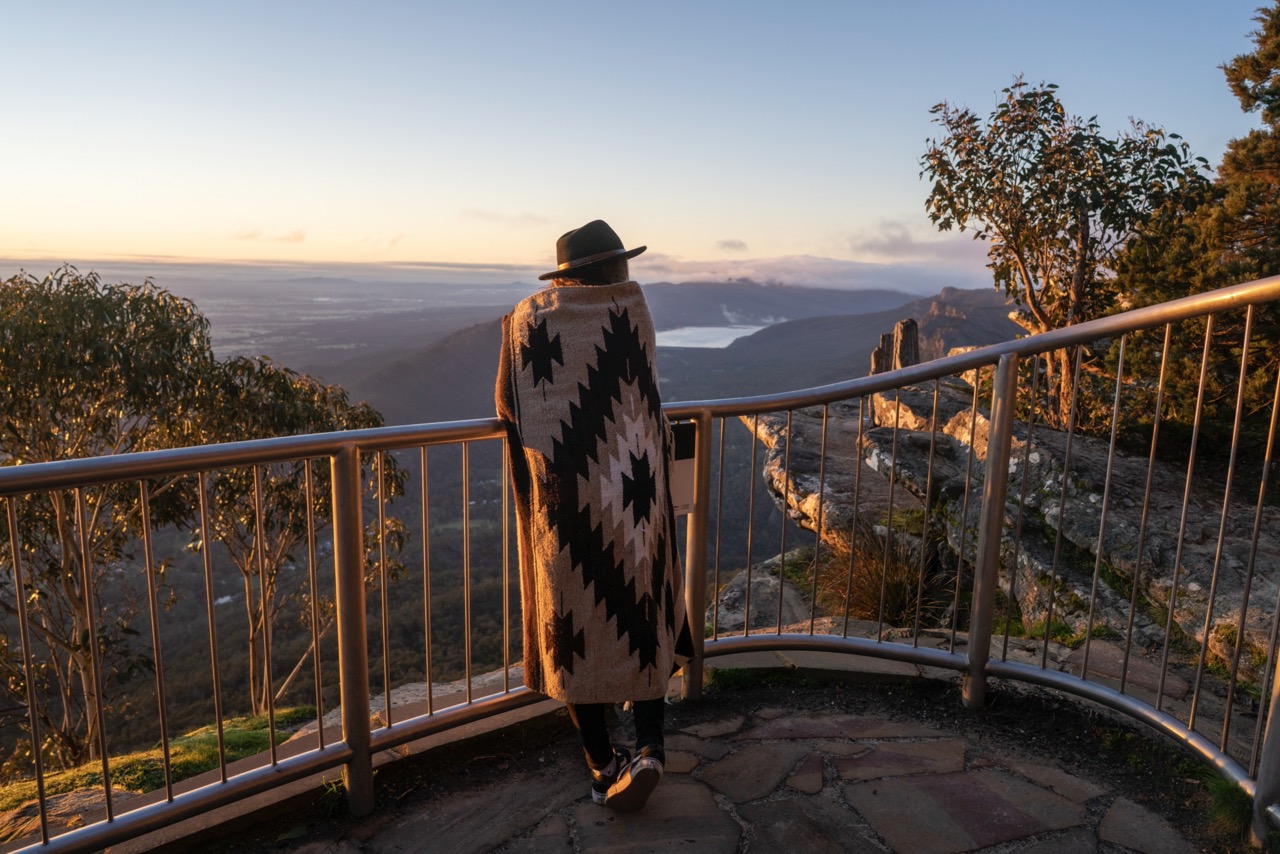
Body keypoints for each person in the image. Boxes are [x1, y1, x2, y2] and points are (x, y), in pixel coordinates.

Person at [495, 219, 691, 812]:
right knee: (645, 610)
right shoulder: (634, 314)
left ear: (567, 274)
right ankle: (652, 748)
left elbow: (509, 404)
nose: (629, 275)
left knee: (574, 624)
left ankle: (605, 766)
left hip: (568, 511)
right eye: (623, 265)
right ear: (611, 270)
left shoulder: (527, 321)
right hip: (635, 496)